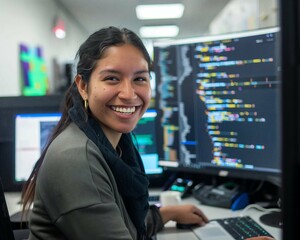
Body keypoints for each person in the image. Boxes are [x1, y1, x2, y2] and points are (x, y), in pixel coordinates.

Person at [21, 26, 274, 240]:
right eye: (112, 78)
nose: (129, 94)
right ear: (83, 86)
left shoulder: (114, 144)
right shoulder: (75, 159)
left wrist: (165, 214)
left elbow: (124, 222)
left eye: (140, 79)